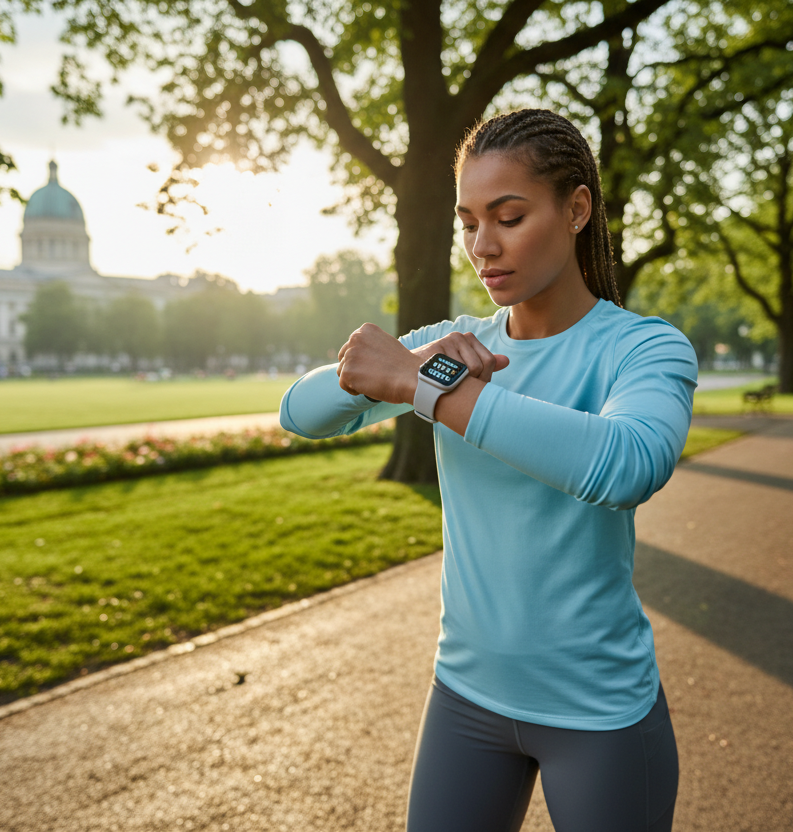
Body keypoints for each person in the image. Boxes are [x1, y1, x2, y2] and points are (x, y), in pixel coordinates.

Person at [279, 108, 697, 832]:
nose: (482, 246)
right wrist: (402, 370)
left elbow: (625, 465)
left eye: (507, 216)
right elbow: (300, 412)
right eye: (468, 222)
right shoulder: (453, 345)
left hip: (598, 710)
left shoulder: (644, 348)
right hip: (465, 701)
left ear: (576, 209)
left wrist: (435, 390)